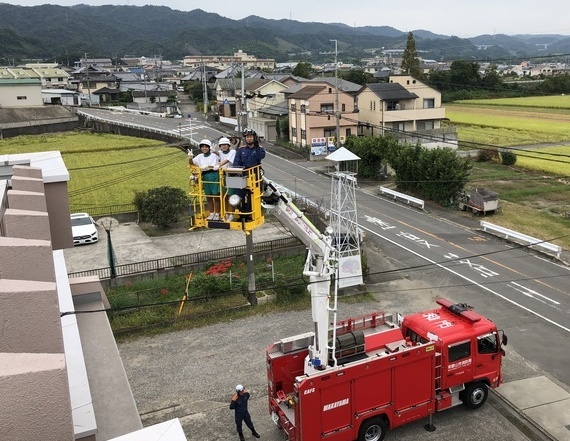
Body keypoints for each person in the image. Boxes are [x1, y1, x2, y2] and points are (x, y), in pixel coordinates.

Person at [233, 128, 266, 220]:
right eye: (247, 137)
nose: (249, 139)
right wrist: (238, 172)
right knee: (240, 195)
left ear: (254, 137)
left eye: (251, 137)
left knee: (253, 195)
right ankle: (242, 214)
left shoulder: (259, 149)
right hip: (243, 175)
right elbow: (236, 162)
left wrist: (257, 146)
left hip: (255, 176)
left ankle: (251, 213)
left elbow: (261, 156)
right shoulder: (241, 149)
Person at [192, 139, 220, 220]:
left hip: (214, 175)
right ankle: (211, 213)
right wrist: (190, 157)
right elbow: (192, 163)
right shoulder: (199, 157)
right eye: (202, 147)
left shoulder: (214, 156)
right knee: (208, 196)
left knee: (216, 195)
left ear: (209, 148)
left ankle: (217, 214)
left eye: (206, 147)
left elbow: (218, 162)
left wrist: (207, 166)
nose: (204, 148)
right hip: (204, 175)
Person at [215, 137, 237, 221]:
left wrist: (219, 165)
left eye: (225, 145)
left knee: (231, 195)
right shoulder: (220, 152)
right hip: (222, 175)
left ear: (228, 145)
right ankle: (225, 213)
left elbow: (227, 160)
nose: (223, 146)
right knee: (223, 195)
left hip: (231, 175)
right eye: (222, 145)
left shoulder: (232, 152)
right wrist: (213, 151)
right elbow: (216, 153)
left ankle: (231, 214)